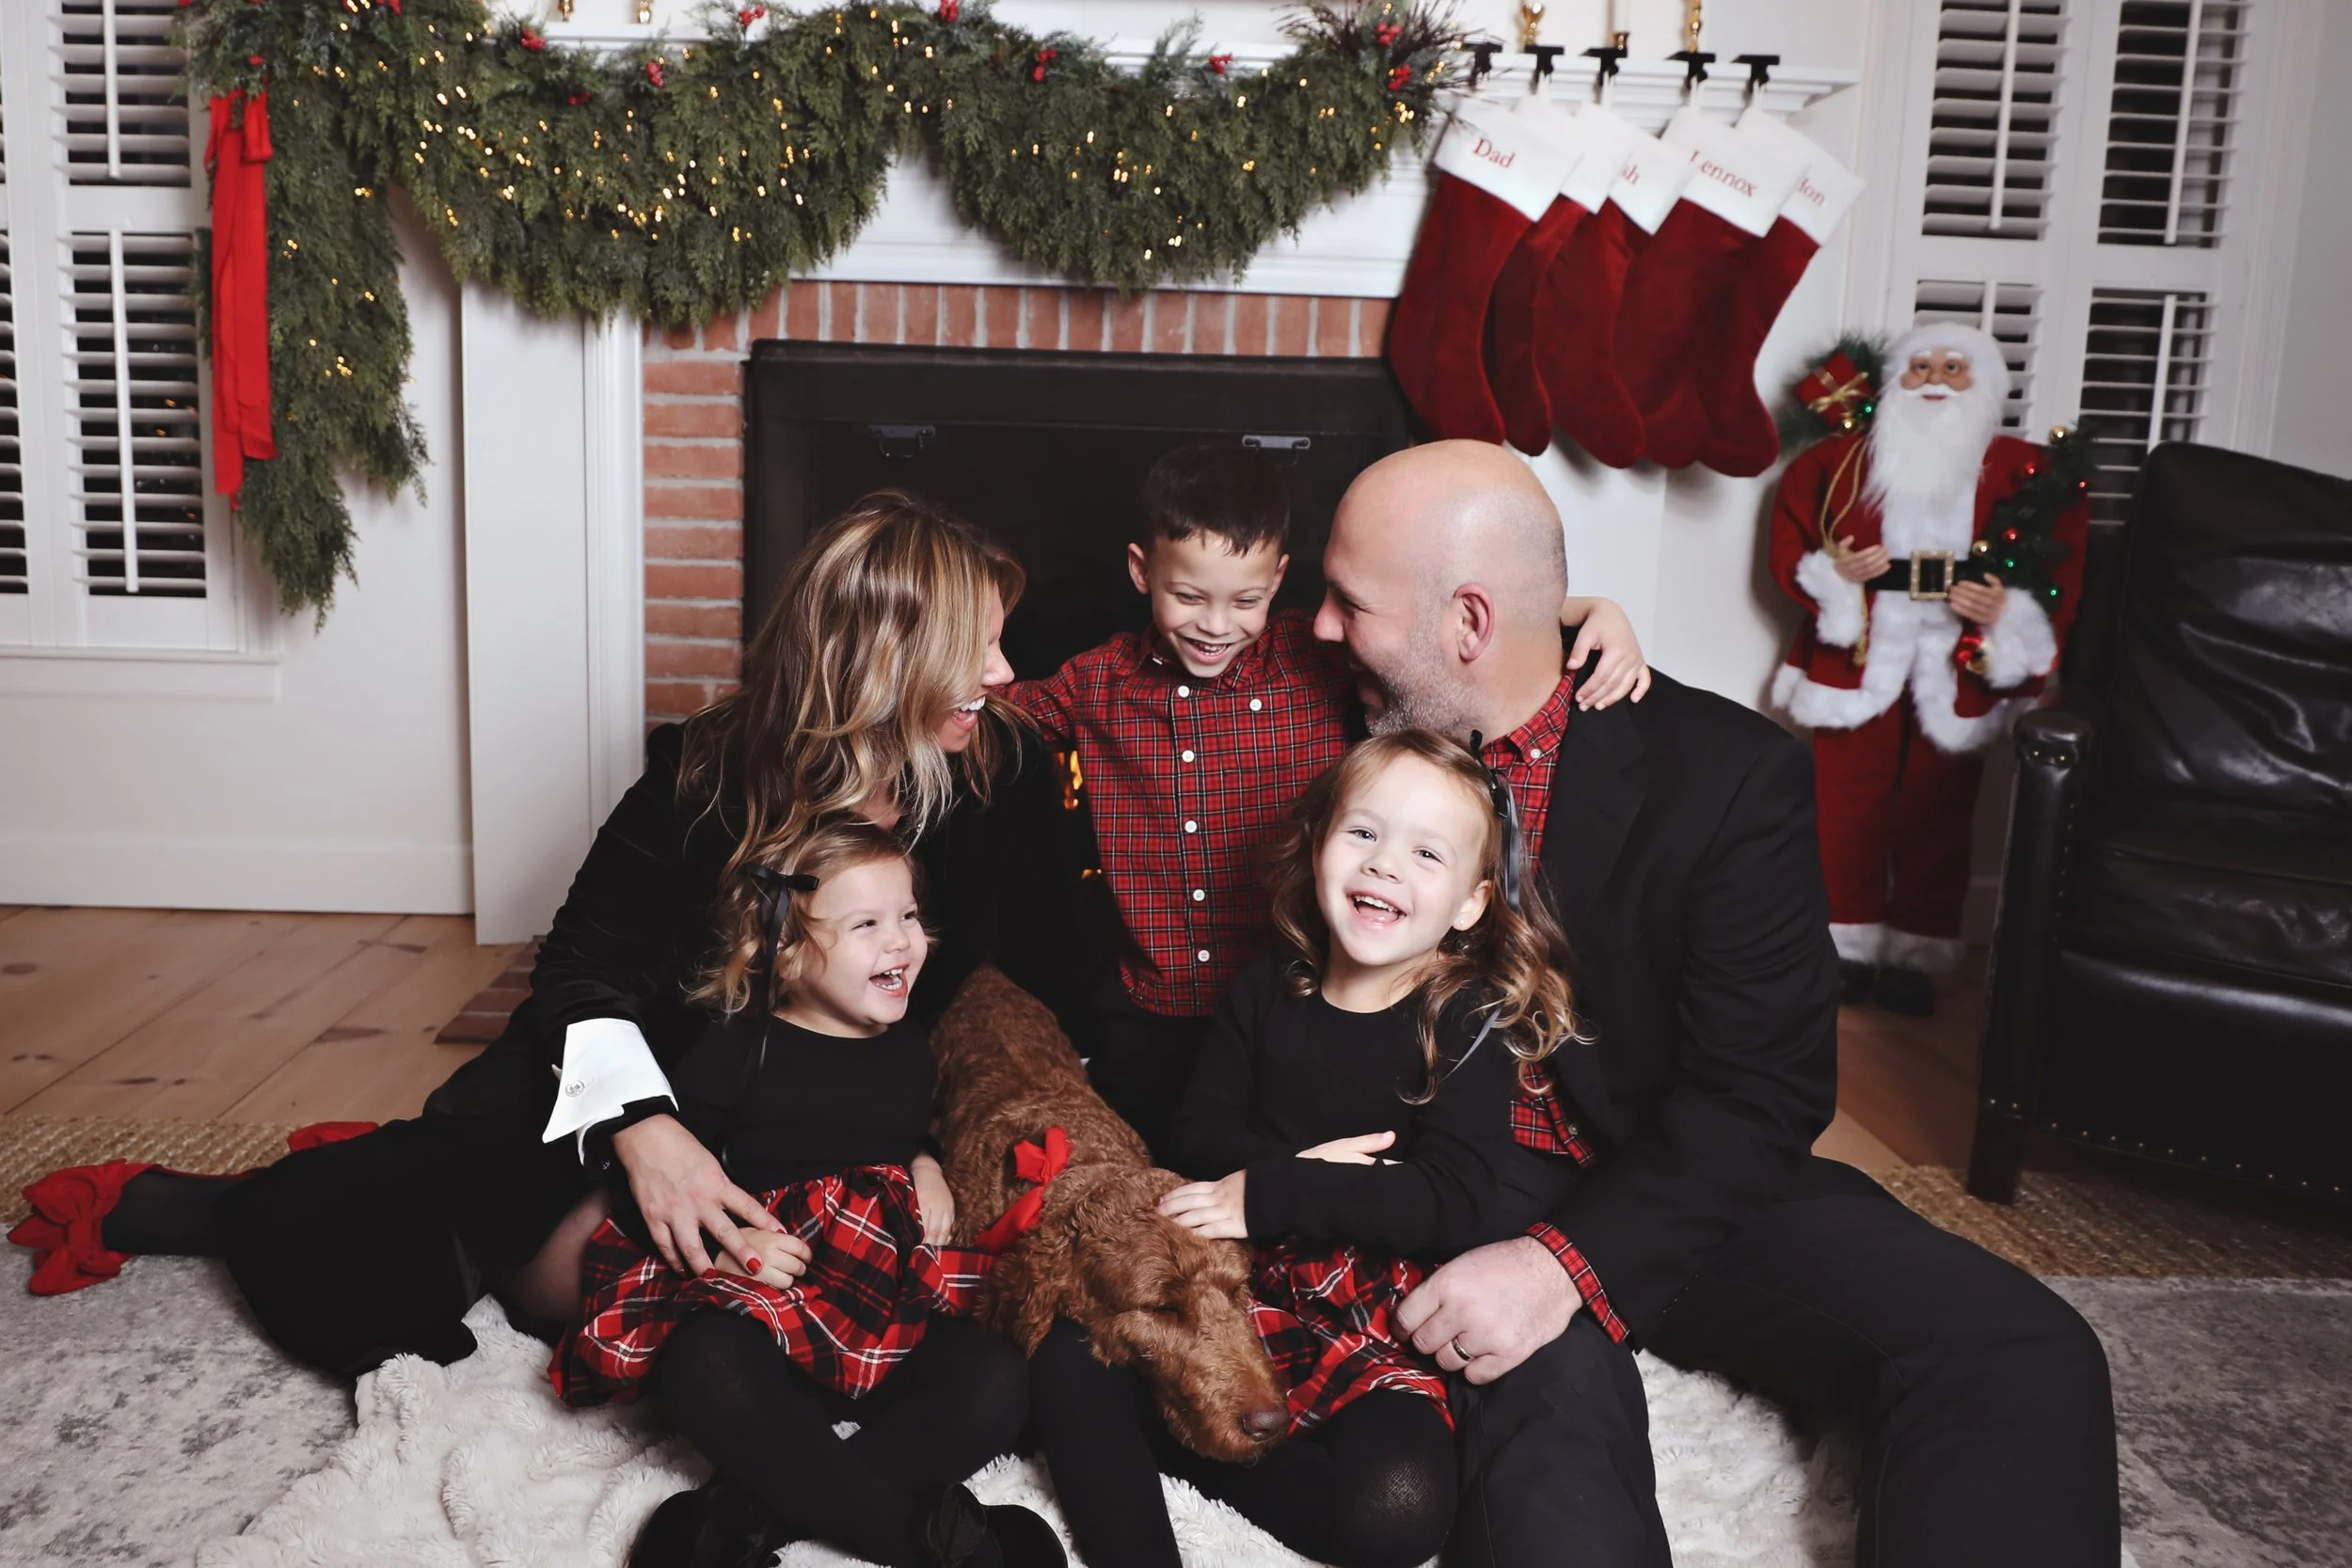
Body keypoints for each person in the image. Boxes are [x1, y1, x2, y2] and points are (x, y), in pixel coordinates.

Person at [1312, 440, 2120, 1568]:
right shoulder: (1326, 718)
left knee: (2020, 1347)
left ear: (1470, 622)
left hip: (1679, 1170)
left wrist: (1565, 1264)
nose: (1318, 627)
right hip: (1459, 1180)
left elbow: (1764, 1088)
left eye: (1350, 602)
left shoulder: (1724, 772)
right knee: (1554, 1463)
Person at [12, 493, 1025, 1385]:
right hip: (653, 1085)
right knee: (422, 1275)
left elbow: (935, 1005)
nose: (1002, 671)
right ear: (891, 654)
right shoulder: (701, 777)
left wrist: (920, 1150)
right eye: (977, 645)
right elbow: (580, 967)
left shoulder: (962, 793)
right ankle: (227, 1202)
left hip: (810, 1118)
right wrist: (641, 1129)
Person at [1027, 731, 1583, 1568]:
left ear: (1470, 903)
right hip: (1235, 1282)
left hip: (1374, 1307)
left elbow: (1451, 1201)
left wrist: (1281, 1182)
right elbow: (1197, 1134)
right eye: (1364, 833)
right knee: (1070, 1356)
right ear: (1321, 844)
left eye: (1425, 852)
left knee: (1399, 1507)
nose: (1385, 864)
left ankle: (1179, 1442)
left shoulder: (1464, 1020)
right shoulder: (1266, 989)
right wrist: (1305, 1177)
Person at [1003, 443, 1648, 1157]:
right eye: (1189, 596)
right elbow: (994, 713)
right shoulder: (1096, 683)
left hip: (1293, 994)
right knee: (1156, 1169)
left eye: (1245, 599)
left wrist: (1588, 611)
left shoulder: (1310, 659)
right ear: (1141, 572)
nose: (1217, 624)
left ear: (1278, 579)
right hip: (1149, 1009)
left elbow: (1454, 626)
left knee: (1296, 1148)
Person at [553, 819, 1056, 1568]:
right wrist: (734, 1242)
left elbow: (897, 1136)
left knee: (997, 1379)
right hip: (768, 1296)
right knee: (705, 1363)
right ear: (786, 952)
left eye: (909, 915)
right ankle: (923, 1543)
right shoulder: (735, 1052)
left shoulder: (911, 1050)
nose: (900, 941)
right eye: (867, 924)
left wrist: (924, 1160)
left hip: (877, 1295)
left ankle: (739, 1520)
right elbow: (658, 1186)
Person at [1770, 322, 2089, 1015]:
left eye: (1955, 366)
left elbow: (2060, 560)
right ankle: (1843, 949)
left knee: (1939, 809)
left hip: (1959, 655)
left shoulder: (2024, 470)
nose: (1937, 379)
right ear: (1895, 380)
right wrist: (1834, 574)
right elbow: (1794, 531)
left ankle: (1918, 952)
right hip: (1861, 650)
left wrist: (2008, 605)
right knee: (1843, 805)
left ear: (1988, 384)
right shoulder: (1842, 463)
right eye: (1920, 366)